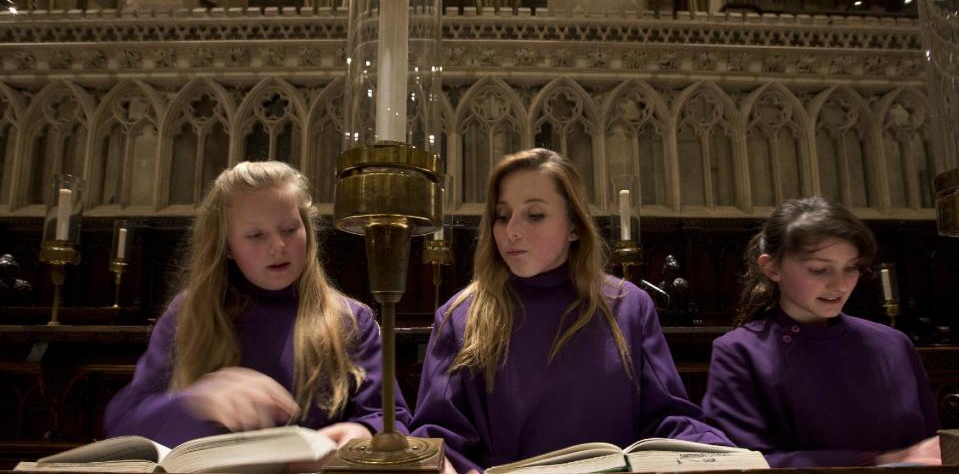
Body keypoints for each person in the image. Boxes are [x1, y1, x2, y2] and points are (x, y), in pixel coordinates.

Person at [410, 148, 732, 474]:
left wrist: (723, 455)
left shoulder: (627, 306)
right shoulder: (462, 315)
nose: (511, 231)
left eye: (534, 215)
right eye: (502, 216)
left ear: (575, 226)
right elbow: (438, 437)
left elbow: (667, 418)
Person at [105, 161, 410, 449]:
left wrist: (362, 433)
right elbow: (124, 424)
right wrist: (195, 402)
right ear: (226, 246)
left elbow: (391, 419)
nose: (278, 246)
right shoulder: (190, 314)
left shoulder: (350, 319)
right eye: (256, 235)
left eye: (290, 229)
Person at [701, 196, 941, 467]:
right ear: (772, 268)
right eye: (819, 270)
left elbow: (931, 447)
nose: (839, 285)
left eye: (851, 268)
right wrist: (881, 460)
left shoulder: (894, 343)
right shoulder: (740, 350)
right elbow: (743, 462)